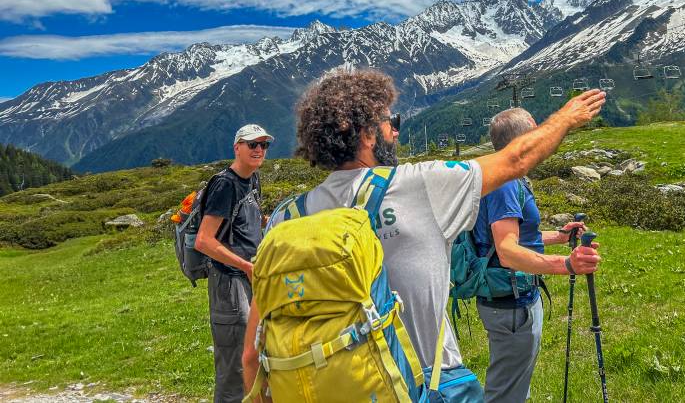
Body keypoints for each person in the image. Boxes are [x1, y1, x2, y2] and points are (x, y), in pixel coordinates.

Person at [242, 69, 605, 399]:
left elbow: (251, 355)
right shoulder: (419, 185)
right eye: (391, 122)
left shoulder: (285, 219)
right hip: (423, 384)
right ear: (367, 134)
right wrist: (566, 117)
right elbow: (515, 160)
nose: (396, 131)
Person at [473, 108, 592, 402]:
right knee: (505, 393)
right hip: (511, 305)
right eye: (537, 131)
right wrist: (567, 264)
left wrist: (559, 237)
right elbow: (507, 251)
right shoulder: (505, 184)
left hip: (514, 299)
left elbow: (517, 237)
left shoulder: (509, 178)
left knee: (515, 386)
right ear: (523, 139)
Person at [195, 124, 273, 403]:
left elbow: (249, 220)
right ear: (237, 147)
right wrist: (245, 266)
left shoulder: (252, 178)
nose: (259, 150)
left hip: (251, 276)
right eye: (252, 144)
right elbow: (203, 240)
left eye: (263, 145)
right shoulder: (225, 185)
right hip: (230, 282)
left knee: (259, 351)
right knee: (235, 362)